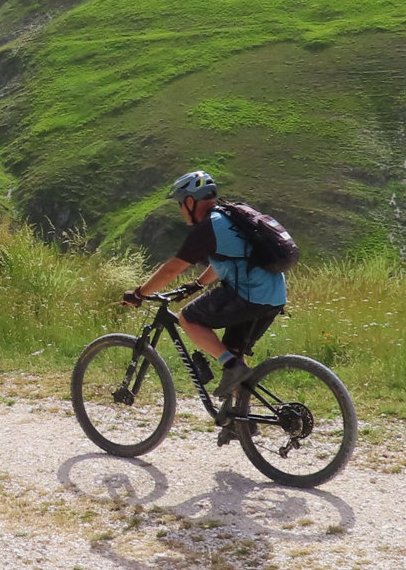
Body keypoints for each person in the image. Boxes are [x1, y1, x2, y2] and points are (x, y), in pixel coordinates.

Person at [121, 170, 287, 408]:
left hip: (249, 294)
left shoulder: (209, 227)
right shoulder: (229, 218)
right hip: (274, 295)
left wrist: (140, 294)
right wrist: (196, 285)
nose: (180, 210)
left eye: (180, 203)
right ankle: (243, 421)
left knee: (188, 319)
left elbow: (172, 269)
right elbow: (226, 262)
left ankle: (233, 368)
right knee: (229, 351)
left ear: (190, 201)